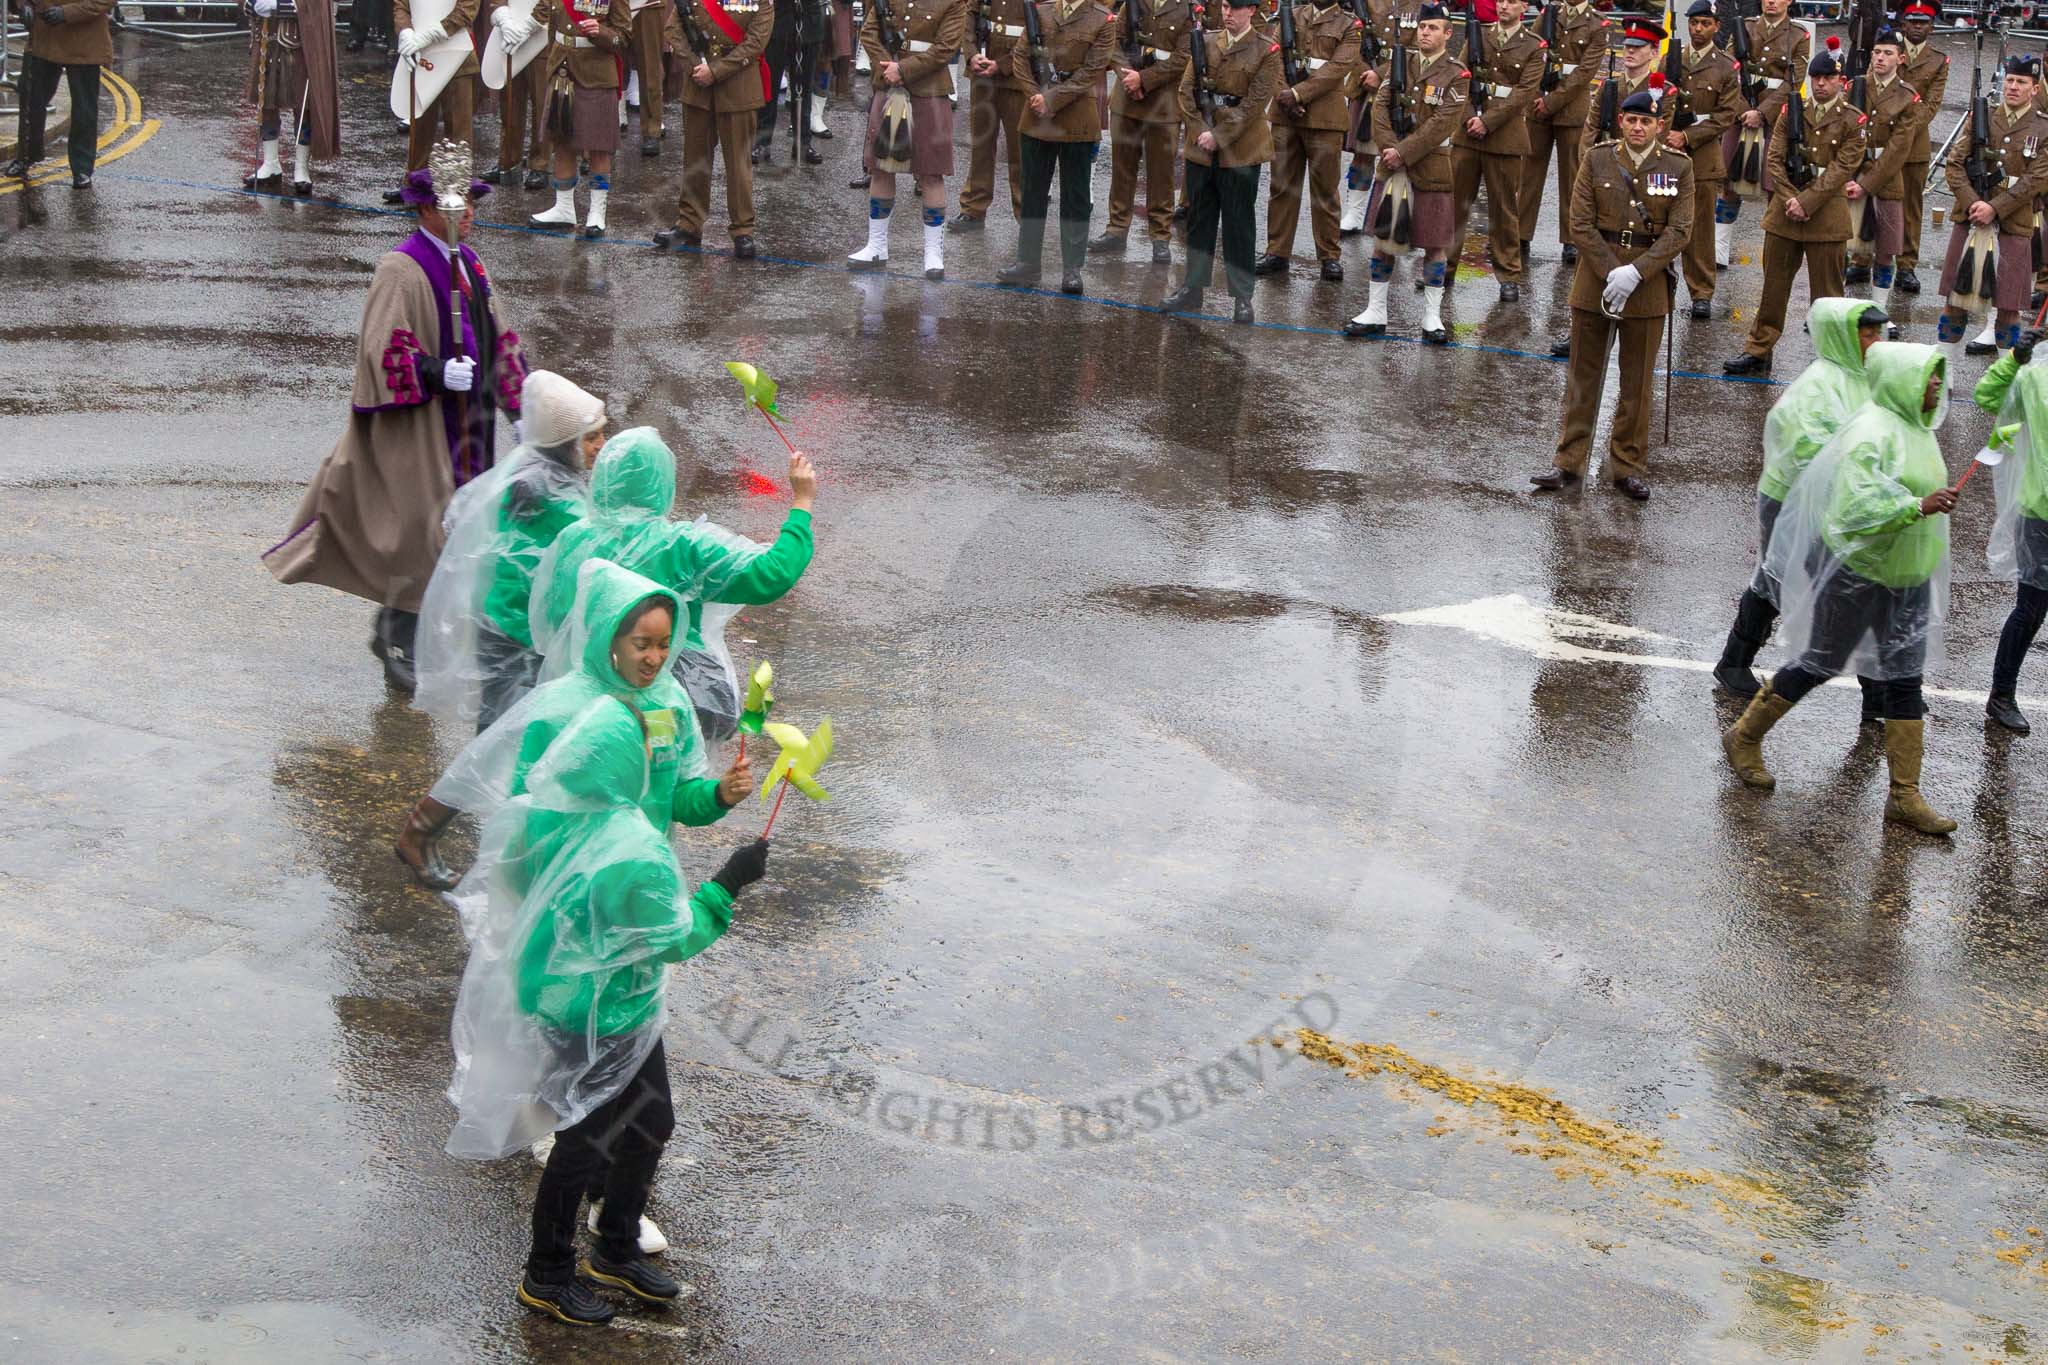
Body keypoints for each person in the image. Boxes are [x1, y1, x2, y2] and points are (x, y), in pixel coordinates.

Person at [443, 695, 770, 1325]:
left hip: (579, 1001)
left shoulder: (544, 815)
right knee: (584, 1142)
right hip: (601, 1013)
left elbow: (514, 892)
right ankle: (547, 1275)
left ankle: (615, 1246)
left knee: (649, 1123)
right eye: (645, 748)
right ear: (624, 760)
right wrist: (729, 881)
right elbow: (675, 935)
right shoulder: (631, 847)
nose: (654, 755)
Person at [265, 142, 528, 696]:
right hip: (423, 428)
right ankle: (395, 635)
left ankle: (419, 634)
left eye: (472, 205)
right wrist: (433, 371)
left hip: (470, 422)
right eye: (458, 206)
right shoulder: (402, 268)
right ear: (427, 211)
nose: (469, 214)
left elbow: (499, 335)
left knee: (460, 534)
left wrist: (519, 403)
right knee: (423, 534)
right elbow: (382, 350)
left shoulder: (471, 263)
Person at [1722, 342, 1960, 837]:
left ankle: (1904, 796)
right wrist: (1916, 507)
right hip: (1858, 576)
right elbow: (1854, 510)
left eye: (1940, 376)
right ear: (1903, 382)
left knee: (1904, 678)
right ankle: (1744, 736)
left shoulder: (1919, 429)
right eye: (1929, 377)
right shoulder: (1871, 433)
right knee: (1820, 663)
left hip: (1908, 577)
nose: (1938, 384)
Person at [531, 435, 817, 741]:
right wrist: (802, 501)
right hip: (660, 705)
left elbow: (548, 621)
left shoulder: (572, 539)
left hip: (585, 703)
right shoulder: (679, 546)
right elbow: (772, 574)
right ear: (662, 481)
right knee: (666, 778)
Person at [1713, 298, 1889, 701]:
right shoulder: (1819, 387)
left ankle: (1878, 689)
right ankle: (1734, 662)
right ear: (1844, 336)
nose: (1876, 340)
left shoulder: (1862, 376)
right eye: (1867, 333)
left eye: (1878, 331)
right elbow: (1809, 451)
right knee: (1780, 577)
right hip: (1794, 499)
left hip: (1835, 501)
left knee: (1854, 583)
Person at [414, 371, 607, 736]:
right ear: (566, 442)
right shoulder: (551, 491)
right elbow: (596, 540)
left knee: (500, 717)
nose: (601, 445)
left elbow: (460, 518)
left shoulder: (526, 468)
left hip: (500, 616)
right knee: (510, 725)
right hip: (519, 628)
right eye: (591, 437)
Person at [1527, 80, 1692, 501]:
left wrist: (1636, 273)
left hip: (1647, 285)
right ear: (1620, 121)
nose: (1638, 127)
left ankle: (1627, 466)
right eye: (1632, 120)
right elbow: (1579, 221)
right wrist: (1610, 271)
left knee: (1637, 385)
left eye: (1646, 121)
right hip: (1594, 282)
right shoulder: (1598, 159)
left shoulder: (1678, 167)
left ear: (1658, 125)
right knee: (1584, 375)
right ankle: (1568, 462)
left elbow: (1680, 230)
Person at [1724, 40, 1863, 377]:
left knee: (1827, 296)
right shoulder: (1792, 110)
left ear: (1840, 81)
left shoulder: (1852, 120)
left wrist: (1807, 201)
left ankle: (1831, 357)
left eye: (1827, 78)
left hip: (1826, 215)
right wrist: (1791, 199)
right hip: (1785, 212)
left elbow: (1842, 169)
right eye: (1816, 78)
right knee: (1773, 287)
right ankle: (1759, 348)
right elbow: (1774, 158)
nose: (1820, 83)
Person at [1341, 3, 1467, 344]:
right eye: (1423, 26)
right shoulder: (1402, 63)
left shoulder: (1457, 74)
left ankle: (1431, 317)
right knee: (1384, 241)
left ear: (1447, 33)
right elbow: (1380, 107)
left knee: (1435, 245)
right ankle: (1376, 311)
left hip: (1430, 168)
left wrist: (1403, 152)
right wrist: (1387, 148)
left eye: (1433, 28)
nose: (1425, 32)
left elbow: (1444, 123)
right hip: (1392, 163)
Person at [1160, 0, 1278, 325]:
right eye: (1225, 6)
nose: (1228, 13)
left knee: (1239, 224)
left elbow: (1254, 104)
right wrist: (1201, 132)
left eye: (1236, 8)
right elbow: (1186, 92)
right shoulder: (1207, 42)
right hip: (1202, 146)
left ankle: (1242, 297)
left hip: (1241, 150)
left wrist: (1220, 135)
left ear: (1252, 10)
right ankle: (1192, 289)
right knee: (1200, 221)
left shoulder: (1267, 50)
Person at [996, 0, 1116, 295]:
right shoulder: (1041, 11)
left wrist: (1053, 99)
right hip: (1036, 114)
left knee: (1075, 196)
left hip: (1077, 117)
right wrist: (1035, 95)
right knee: (1033, 191)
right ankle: (1028, 262)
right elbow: (1021, 58)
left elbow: (1093, 70)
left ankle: (1072, 268)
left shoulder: (1103, 20)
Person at [843, 0, 970, 274]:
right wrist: (887, 67)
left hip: (930, 91)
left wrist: (903, 70)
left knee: (931, 173)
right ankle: (876, 246)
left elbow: (946, 47)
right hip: (888, 86)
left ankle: (933, 253)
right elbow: (869, 32)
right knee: (881, 169)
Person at [1934, 55, 2048, 359]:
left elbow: (2036, 180)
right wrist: (1975, 203)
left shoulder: (2043, 128)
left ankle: (2001, 376)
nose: (2013, 87)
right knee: (1954, 302)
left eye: (2021, 82)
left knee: (2009, 308)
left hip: (2014, 222)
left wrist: (1995, 208)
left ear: (2034, 89)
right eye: (2010, 80)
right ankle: (1943, 371)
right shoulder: (1982, 117)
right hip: (1971, 219)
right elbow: (1955, 164)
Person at [1251, 0, 1364, 284]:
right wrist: (1284, 96)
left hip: (1324, 119)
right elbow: (1273, 58)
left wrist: (1298, 94)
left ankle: (1329, 256)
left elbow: (1338, 68)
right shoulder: (1290, 16)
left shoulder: (1349, 25)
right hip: (1285, 114)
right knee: (1281, 187)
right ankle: (1277, 251)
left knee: (1325, 191)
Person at [648, 0, 773, 255]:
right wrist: (695, 66)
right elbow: (673, 29)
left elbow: (756, 42)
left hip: (738, 86)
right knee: (695, 158)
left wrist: (714, 71)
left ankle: (742, 231)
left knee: (738, 164)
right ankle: (689, 225)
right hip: (698, 85)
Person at [1970, 329, 2048, 733]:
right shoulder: (2037, 376)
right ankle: (2002, 695)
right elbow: (1987, 397)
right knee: (2032, 608)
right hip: (2042, 513)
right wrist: (2015, 359)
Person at [1441, 2, 1540, 304]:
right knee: (1455, 203)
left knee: (1504, 209)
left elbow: (1524, 93)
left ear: (1524, 6)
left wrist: (1488, 121)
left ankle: (1509, 274)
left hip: (1505, 136)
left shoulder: (1535, 46)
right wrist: (1471, 117)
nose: (1505, 6)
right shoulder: (1478, 35)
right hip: (1468, 132)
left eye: (1512, 1)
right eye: (1501, 0)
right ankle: (1443, 267)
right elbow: (1459, 76)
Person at [1087, 0, 1193, 263]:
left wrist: (1144, 79)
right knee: (1122, 168)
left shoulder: (1186, 10)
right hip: (1126, 100)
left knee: (1161, 173)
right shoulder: (1132, 4)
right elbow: (1114, 42)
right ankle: (1117, 228)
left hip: (1164, 104)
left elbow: (1183, 58)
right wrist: (1128, 77)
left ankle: (1160, 235)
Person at [1712, 0, 1809, 265]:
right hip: (1741, 110)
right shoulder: (1745, 27)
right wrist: (1744, 108)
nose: (1771, 1)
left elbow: (1793, 81)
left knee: (1773, 183)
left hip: (1775, 117)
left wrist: (1763, 112)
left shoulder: (1798, 35)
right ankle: (1720, 245)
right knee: (1729, 180)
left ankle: (1773, 249)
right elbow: (1731, 71)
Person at [528, 0, 632, 238]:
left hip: (596, 72)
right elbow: (553, 27)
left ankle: (597, 212)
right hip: (562, 69)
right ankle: (564, 208)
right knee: (562, 141)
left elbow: (624, 36)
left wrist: (602, 32)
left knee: (599, 145)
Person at [1515, 0, 1607, 268]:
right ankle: (1521, 233)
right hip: (1538, 105)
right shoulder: (1549, 14)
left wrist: (1552, 102)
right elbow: (1531, 46)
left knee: (1572, 177)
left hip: (1571, 110)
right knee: (1528, 174)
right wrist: (1537, 97)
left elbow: (1584, 73)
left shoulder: (1597, 24)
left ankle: (1570, 239)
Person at [1668, 0, 1738, 320]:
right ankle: (1660, 281)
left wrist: (1689, 136)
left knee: (1700, 228)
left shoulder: (1725, 66)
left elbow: (1725, 116)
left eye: (1705, 23)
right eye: (1694, 23)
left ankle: (1701, 291)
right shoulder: (1673, 59)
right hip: (1668, 153)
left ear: (1716, 26)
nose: (1698, 29)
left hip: (1704, 155)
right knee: (1663, 218)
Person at [1839, 27, 1917, 297]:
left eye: (1888, 53)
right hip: (1851, 173)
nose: (1881, 58)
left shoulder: (1907, 96)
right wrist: (1847, 176)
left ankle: (1880, 310)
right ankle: (1833, 303)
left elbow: (1898, 149)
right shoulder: (1855, 87)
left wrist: (1867, 185)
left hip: (1886, 179)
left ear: (1901, 59)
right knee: (1840, 245)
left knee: (1886, 249)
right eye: (1877, 52)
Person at [384, 0, 485, 204]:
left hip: (457, 55)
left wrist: (429, 35)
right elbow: (401, 5)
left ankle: (456, 189)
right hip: (422, 53)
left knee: (458, 130)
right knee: (420, 125)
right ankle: (415, 183)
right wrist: (405, 32)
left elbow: (467, 9)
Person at [4, 0, 114, 187]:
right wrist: (23, 6)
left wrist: (66, 13)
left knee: (84, 111)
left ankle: (82, 168)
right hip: (43, 37)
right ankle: (26, 157)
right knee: (31, 100)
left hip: (84, 41)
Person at [242, 0, 341, 196]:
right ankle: (270, 163)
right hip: (264, 36)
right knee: (266, 103)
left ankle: (301, 167)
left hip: (300, 40)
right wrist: (251, 3)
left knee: (303, 106)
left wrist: (279, 5)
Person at [1893, 2, 1947, 296]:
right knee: (1870, 201)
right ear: (1903, 24)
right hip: (1882, 139)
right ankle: (1862, 257)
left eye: (1923, 21)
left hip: (1914, 143)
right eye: (1912, 20)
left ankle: (1906, 265)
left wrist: (1903, 129)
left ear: (1932, 27)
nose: (1917, 26)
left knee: (1911, 205)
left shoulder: (1939, 61)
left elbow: (1931, 104)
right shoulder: (1888, 49)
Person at [755, 0, 828, 164]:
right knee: (770, 88)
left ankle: (802, 143)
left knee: (803, 90)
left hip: (808, 23)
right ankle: (762, 143)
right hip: (778, 22)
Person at [626, 0, 675, 157]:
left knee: (650, 67)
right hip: (607, 4)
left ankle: (651, 130)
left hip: (647, 5)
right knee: (602, 60)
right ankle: (595, 139)